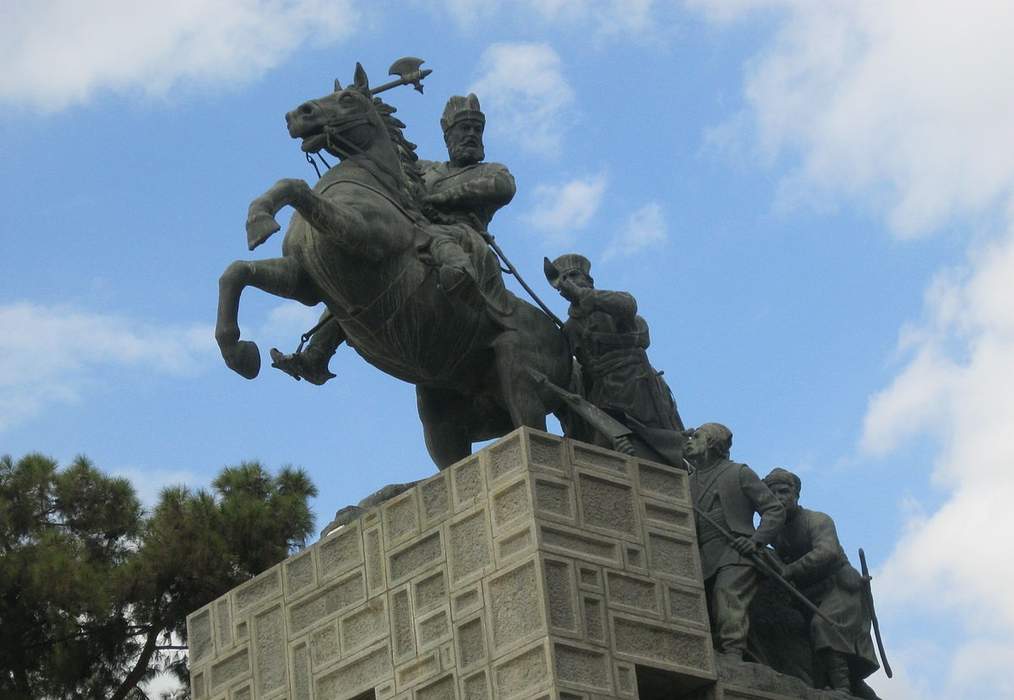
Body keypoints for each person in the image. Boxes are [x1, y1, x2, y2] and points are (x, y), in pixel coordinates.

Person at [270, 93, 515, 384]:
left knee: (447, 244)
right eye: (464, 129)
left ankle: (468, 297)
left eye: (476, 129)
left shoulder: (490, 170)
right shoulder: (426, 168)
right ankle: (317, 354)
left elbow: (502, 187)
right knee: (355, 272)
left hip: (456, 235)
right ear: (448, 134)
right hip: (411, 230)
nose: (471, 135)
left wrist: (439, 197)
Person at [762, 468, 880, 698]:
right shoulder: (774, 530)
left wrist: (791, 570)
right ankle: (855, 688)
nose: (778, 497)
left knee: (823, 627)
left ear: (796, 493)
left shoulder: (817, 520)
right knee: (806, 639)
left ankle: (842, 690)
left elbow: (827, 552)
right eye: (772, 493)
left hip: (839, 587)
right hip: (807, 592)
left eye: (784, 491)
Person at [545, 253, 684, 442]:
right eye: (564, 279)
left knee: (660, 441)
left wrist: (582, 294)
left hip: (635, 386)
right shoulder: (570, 327)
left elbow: (628, 305)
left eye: (573, 275)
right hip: (601, 395)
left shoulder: (610, 305)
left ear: (588, 280)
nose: (568, 283)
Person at [686, 423, 785, 660]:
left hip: (736, 550)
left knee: (726, 592)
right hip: (704, 554)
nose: (689, 440)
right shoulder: (687, 481)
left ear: (711, 443)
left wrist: (756, 541)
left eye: (696, 436)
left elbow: (774, 510)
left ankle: (733, 652)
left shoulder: (738, 472)